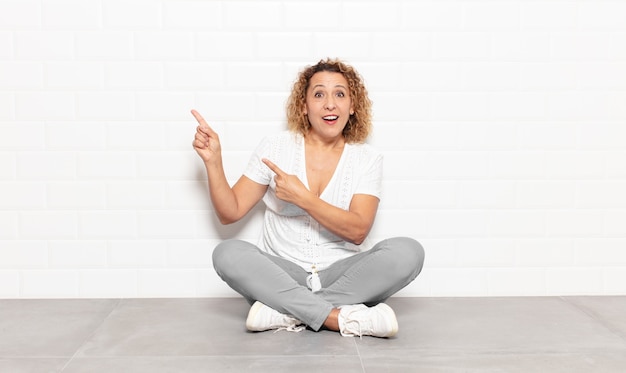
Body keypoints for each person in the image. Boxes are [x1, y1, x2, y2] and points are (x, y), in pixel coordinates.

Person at [192, 58, 425, 338]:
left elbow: (358, 231)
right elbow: (230, 213)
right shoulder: (275, 147)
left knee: (408, 252)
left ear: (352, 106)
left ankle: (286, 311)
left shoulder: (367, 159)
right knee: (227, 254)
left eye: (340, 94)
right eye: (318, 94)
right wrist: (214, 161)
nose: (330, 104)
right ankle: (340, 318)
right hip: (283, 273)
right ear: (304, 107)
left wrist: (303, 198)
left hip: (344, 274)